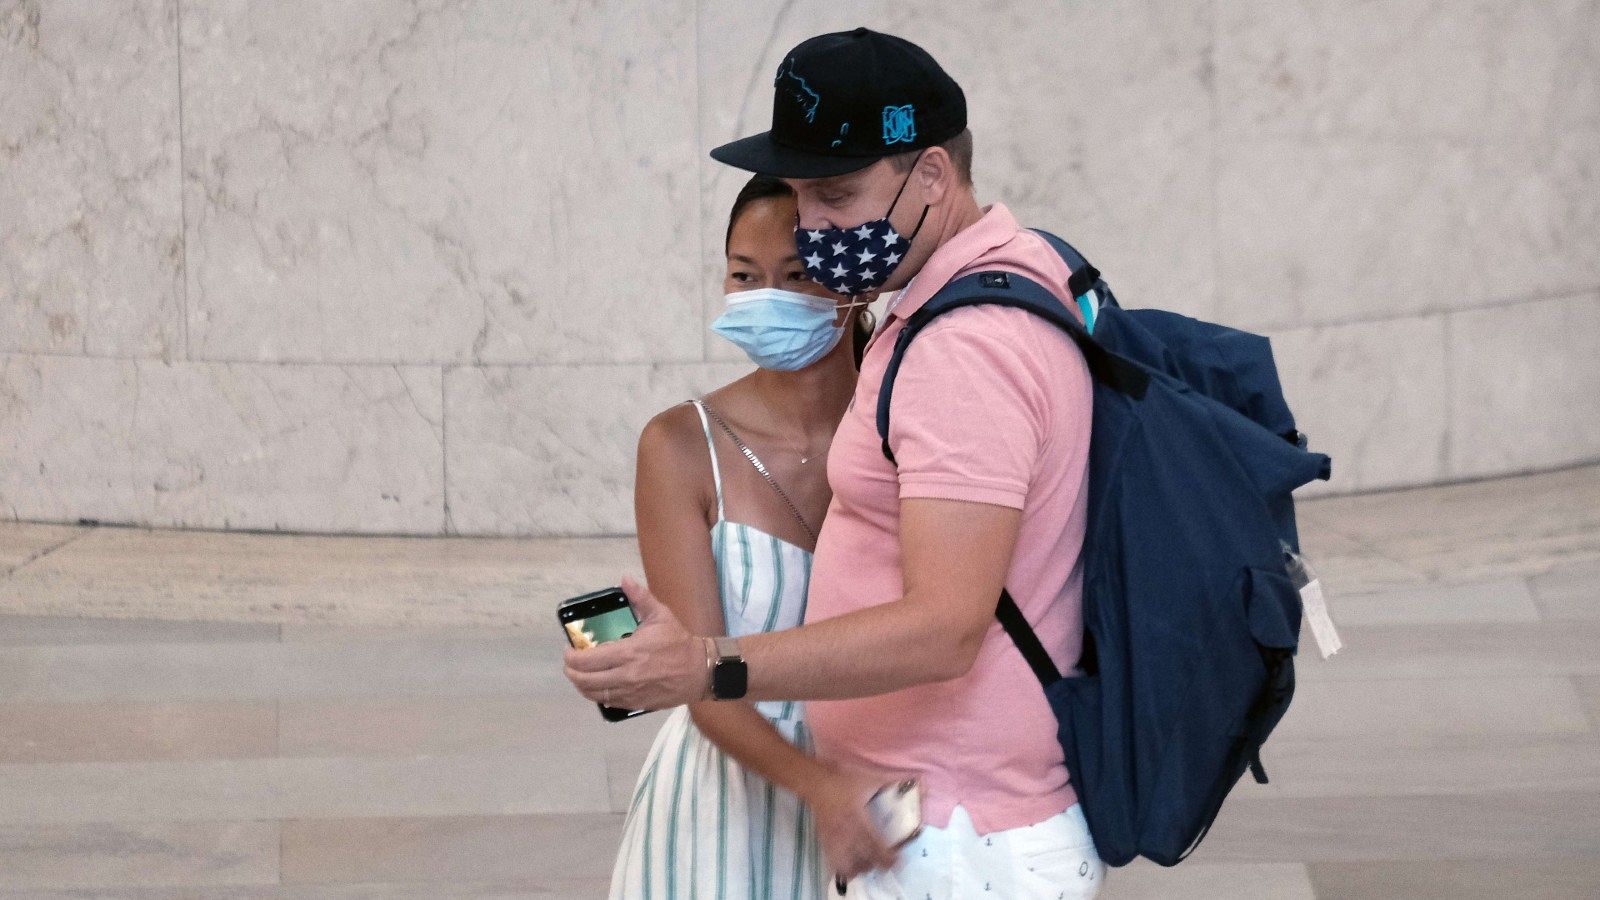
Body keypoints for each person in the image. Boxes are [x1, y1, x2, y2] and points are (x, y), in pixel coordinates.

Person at [569, 28, 1106, 898]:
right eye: (748, 269)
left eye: (837, 193)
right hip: (904, 826)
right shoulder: (986, 291)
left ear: (931, 176)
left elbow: (944, 627)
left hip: (953, 836)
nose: (815, 228)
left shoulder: (960, 347)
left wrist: (706, 665)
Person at [607, 173, 879, 899]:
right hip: (721, 819)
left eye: (796, 274)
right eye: (744, 276)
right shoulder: (677, 445)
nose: (768, 298)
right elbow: (701, 683)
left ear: (856, 283)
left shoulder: (907, 426)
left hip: (882, 798)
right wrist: (821, 790)